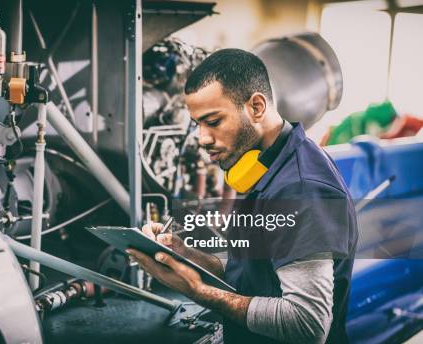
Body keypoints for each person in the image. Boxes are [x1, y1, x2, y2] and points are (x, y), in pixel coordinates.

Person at [128, 49, 358, 343]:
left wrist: (197, 291)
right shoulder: (268, 165)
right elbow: (254, 273)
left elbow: (307, 325)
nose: (202, 139)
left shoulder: (299, 190)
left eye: (213, 122)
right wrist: (185, 254)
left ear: (257, 107)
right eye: (197, 124)